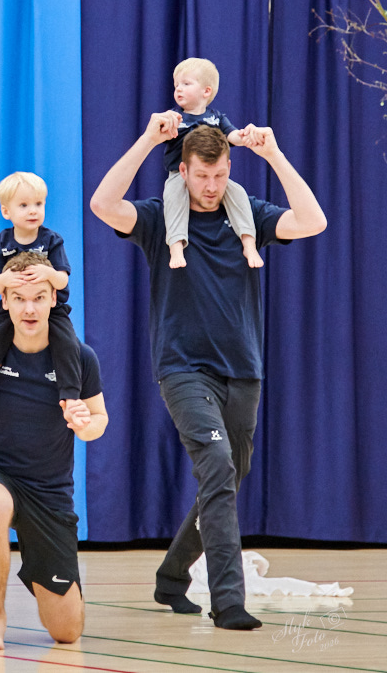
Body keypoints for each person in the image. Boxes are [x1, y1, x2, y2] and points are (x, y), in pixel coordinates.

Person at [89, 118, 326, 629]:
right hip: (183, 370)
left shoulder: (247, 215)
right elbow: (103, 204)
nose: (211, 186)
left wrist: (275, 156)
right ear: (183, 171)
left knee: (226, 478)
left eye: (219, 176)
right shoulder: (159, 220)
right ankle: (228, 601)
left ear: (229, 169)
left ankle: (172, 577)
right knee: (217, 465)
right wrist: (148, 140)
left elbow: (313, 221)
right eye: (201, 176)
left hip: (244, 371)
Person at [0, 251, 108, 651]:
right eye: (19, 299)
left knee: (67, 632)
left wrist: (85, 425)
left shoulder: (79, 357)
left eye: (38, 297)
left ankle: (40, 569)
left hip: (49, 492)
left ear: (54, 298)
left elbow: (99, 419)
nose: (29, 309)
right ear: (5, 301)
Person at [0, 172, 82, 403]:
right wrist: (5, 279)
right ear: (6, 211)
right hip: (13, 309)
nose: (33, 211)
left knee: (68, 343)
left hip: (52, 308)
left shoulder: (52, 240)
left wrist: (48, 273)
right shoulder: (0, 244)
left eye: (39, 204)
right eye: (24, 205)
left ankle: (70, 395)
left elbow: (62, 281)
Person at [160, 58, 260, 269]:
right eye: (176, 85)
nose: (179, 89)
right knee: (173, 198)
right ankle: (176, 247)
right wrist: (163, 126)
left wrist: (246, 136)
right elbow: (158, 135)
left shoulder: (217, 118)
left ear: (206, 91)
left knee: (239, 194)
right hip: (179, 174)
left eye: (186, 84)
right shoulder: (175, 118)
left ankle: (249, 243)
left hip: (210, 176)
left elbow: (232, 136)